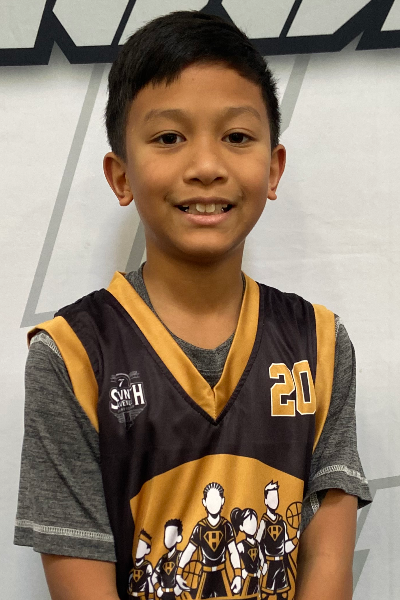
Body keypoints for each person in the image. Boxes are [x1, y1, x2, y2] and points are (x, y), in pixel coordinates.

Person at [14, 9, 372, 600]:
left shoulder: (322, 343)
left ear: (273, 168)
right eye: (169, 138)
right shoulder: (71, 357)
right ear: (121, 175)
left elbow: (328, 561)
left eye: (237, 137)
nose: (206, 167)